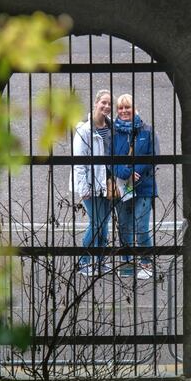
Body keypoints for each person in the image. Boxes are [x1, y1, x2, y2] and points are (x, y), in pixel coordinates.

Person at [112, 94, 158, 280]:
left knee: (141, 225)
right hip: (122, 187)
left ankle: (146, 262)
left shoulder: (147, 130)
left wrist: (136, 172)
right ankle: (127, 263)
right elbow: (108, 159)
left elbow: (153, 156)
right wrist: (125, 173)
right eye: (120, 108)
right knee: (124, 226)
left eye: (127, 107)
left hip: (144, 186)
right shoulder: (113, 132)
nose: (124, 111)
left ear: (134, 108)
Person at [70, 90, 114, 276]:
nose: (106, 106)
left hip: (108, 184)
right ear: (96, 103)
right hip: (90, 184)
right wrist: (83, 188)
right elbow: (79, 162)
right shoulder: (85, 130)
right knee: (96, 223)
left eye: (109, 104)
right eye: (103, 102)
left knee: (104, 224)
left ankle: (100, 261)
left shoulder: (113, 128)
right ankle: (84, 261)